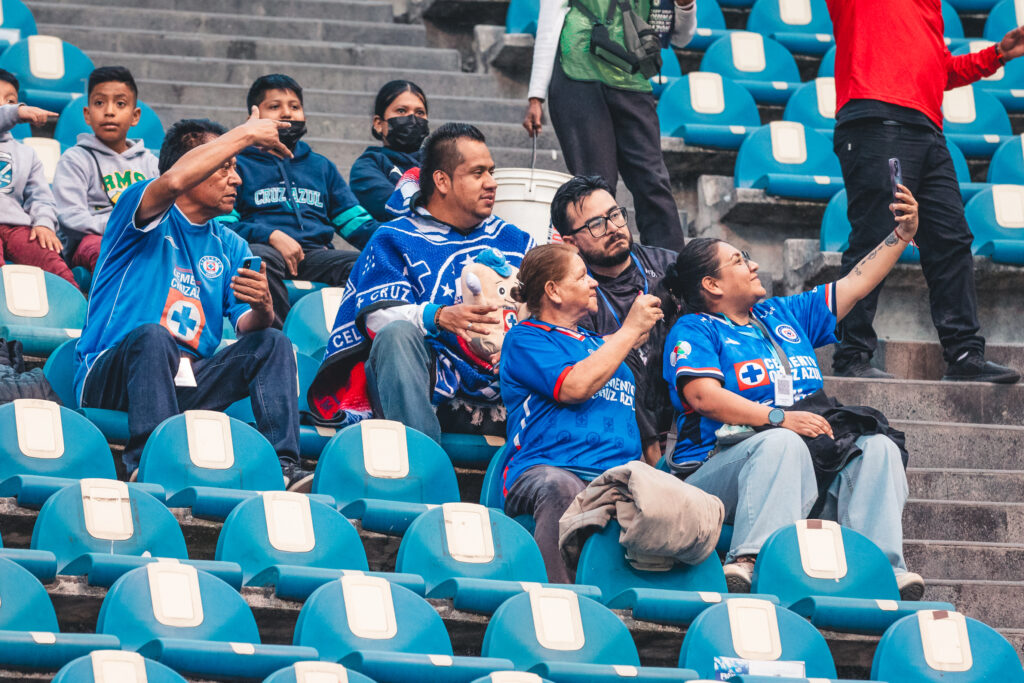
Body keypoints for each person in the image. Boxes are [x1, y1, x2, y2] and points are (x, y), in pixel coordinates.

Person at [662, 185, 926, 598]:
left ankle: (881, 570)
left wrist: (901, 237)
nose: (751, 264)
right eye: (738, 260)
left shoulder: (780, 313)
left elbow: (856, 283)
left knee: (878, 449)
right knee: (779, 444)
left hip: (803, 466)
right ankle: (750, 562)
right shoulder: (695, 328)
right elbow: (701, 396)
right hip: (715, 473)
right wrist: (779, 419)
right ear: (712, 285)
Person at [74, 114, 313, 489]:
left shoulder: (231, 244)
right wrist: (246, 132)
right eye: (224, 167)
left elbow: (246, 324)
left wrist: (263, 308)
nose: (237, 179)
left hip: (187, 379)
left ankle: (281, 466)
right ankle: (150, 461)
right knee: (153, 337)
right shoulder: (140, 206)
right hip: (112, 373)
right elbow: (171, 182)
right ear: (192, 166)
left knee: (273, 342)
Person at [825, 0, 1024, 383]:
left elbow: (941, 70)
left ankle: (965, 354)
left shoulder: (930, 5)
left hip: (928, 129)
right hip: (875, 117)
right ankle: (851, 356)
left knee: (951, 238)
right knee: (875, 236)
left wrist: (996, 55)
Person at [309, 123, 533, 443]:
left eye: (492, 172)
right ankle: (423, 466)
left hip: (509, 386)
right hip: (428, 389)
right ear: (442, 180)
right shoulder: (395, 237)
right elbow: (376, 318)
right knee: (395, 335)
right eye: (478, 173)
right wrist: (439, 316)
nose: (491, 183)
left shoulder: (514, 239)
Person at [501, 243, 663, 582]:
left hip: (618, 477)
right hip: (549, 470)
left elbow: (611, 345)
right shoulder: (525, 338)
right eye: (581, 276)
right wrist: (630, 330)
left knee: (682, 501)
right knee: (561, 487)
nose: (593, 283)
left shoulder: (596, 343)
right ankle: (558, 601)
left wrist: (631, 332)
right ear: (553, 291)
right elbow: (574, 387)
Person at [522, 0, 695, 251]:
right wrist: (536, 96)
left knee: (653, 180)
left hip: (632, 81)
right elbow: (549, 25)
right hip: (578, 75)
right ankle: (602, 266)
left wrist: (685, 5)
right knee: (596, 183)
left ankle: (671, 268)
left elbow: (681, 37)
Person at [219, 74, 372, 322]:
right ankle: (281, 344)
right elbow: (223, 225)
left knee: (367, 265)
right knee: (256, 261)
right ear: (254, 117)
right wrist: (270, 236)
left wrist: (397, 242)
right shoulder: (237, 163)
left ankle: (345, 345)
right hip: (265, 251)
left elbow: (356, 224)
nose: (287, 113)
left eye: (295, 107)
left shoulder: (321, 167)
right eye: (275, 106)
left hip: (314, 256)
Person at [551, 175, 676, 465]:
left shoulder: (670, 268)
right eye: (596, 225)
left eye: (615, 215)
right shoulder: (571, 298)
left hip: (683, 424)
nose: (613, 229)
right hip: (616, 440)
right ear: (570, 242)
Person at [53, 66, 160, 273]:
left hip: (140, 237)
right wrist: (123, 225)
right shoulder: (74, 159)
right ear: (87, 113)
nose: (109, 111)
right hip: (91, 241)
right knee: (105, 250)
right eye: (99, 103)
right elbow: (70, 218)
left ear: (135, 115)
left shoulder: (150, 162)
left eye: (120, 104)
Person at [0, 71, 74, 287]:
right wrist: (16, 111)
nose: (4, 105)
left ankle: (79, 306)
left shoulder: (27, 154)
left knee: (53, 263)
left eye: (10, 100)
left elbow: (41, 197)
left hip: (17, 227)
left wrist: (43, 223)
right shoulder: (14, 112)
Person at [349, 80, 429, 222]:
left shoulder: (440, 162)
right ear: (379, 124)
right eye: (401, 111)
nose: (412, 119)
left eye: (419, 112)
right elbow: (393, 207)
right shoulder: (367, 167)